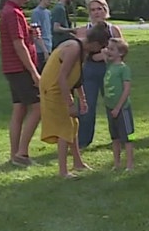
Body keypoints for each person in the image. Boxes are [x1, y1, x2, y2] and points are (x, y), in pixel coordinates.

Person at [39, 22, 112, 178]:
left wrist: (83, 99)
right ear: (94, 43)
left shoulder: (83, 51)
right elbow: (62, 78)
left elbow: (77, 77)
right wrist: (70, 103)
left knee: (74, 124)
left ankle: (78, 163)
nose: (100, 51)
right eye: (101, 46)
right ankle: (63, 171)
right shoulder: (74, 48)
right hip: (52, 89)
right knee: (65, 128)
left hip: (62, 88)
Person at [0, 0, 42, 168]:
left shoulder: (12, 11)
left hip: (12, 69)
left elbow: (21, 39)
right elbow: (18, 45)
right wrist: (34, 72)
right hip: (19, 68)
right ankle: (22, 153)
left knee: (19, 109)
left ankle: (14, 154)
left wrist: (31, 35)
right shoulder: (13, 13)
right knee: (38, 107)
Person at [78, 0, 124, 149]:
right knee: (87, 106)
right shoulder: (84, 30)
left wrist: (108, 55)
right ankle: (83, 141)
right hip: (89, 70)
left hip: (110, 70)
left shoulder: (113, 29)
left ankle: (119, 137)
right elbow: (79, 53)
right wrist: (95, 56)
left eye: (99, 9)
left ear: (106, 10)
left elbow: (122, 50)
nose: (96, 12)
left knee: (114, 104)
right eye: (93, 9)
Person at [103, 37, 135, 171]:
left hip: (122, 109)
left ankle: (129, 164)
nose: (108, 51)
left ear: (121, 53)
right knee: (114, 137)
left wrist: (118, 107)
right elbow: (102, 52)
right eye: (108, 48)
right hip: (110, 107)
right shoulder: (109, 65)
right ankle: (116, 163)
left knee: (127, 137)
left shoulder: (123, 69)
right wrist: (108, 51)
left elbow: (127, 89)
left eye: (112, 49)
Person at [31, 0, 54, 71]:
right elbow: (37, 34)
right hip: (40, 49)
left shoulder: (48, 12)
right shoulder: (36, 12)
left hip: (49, 46)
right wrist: (44, 50)